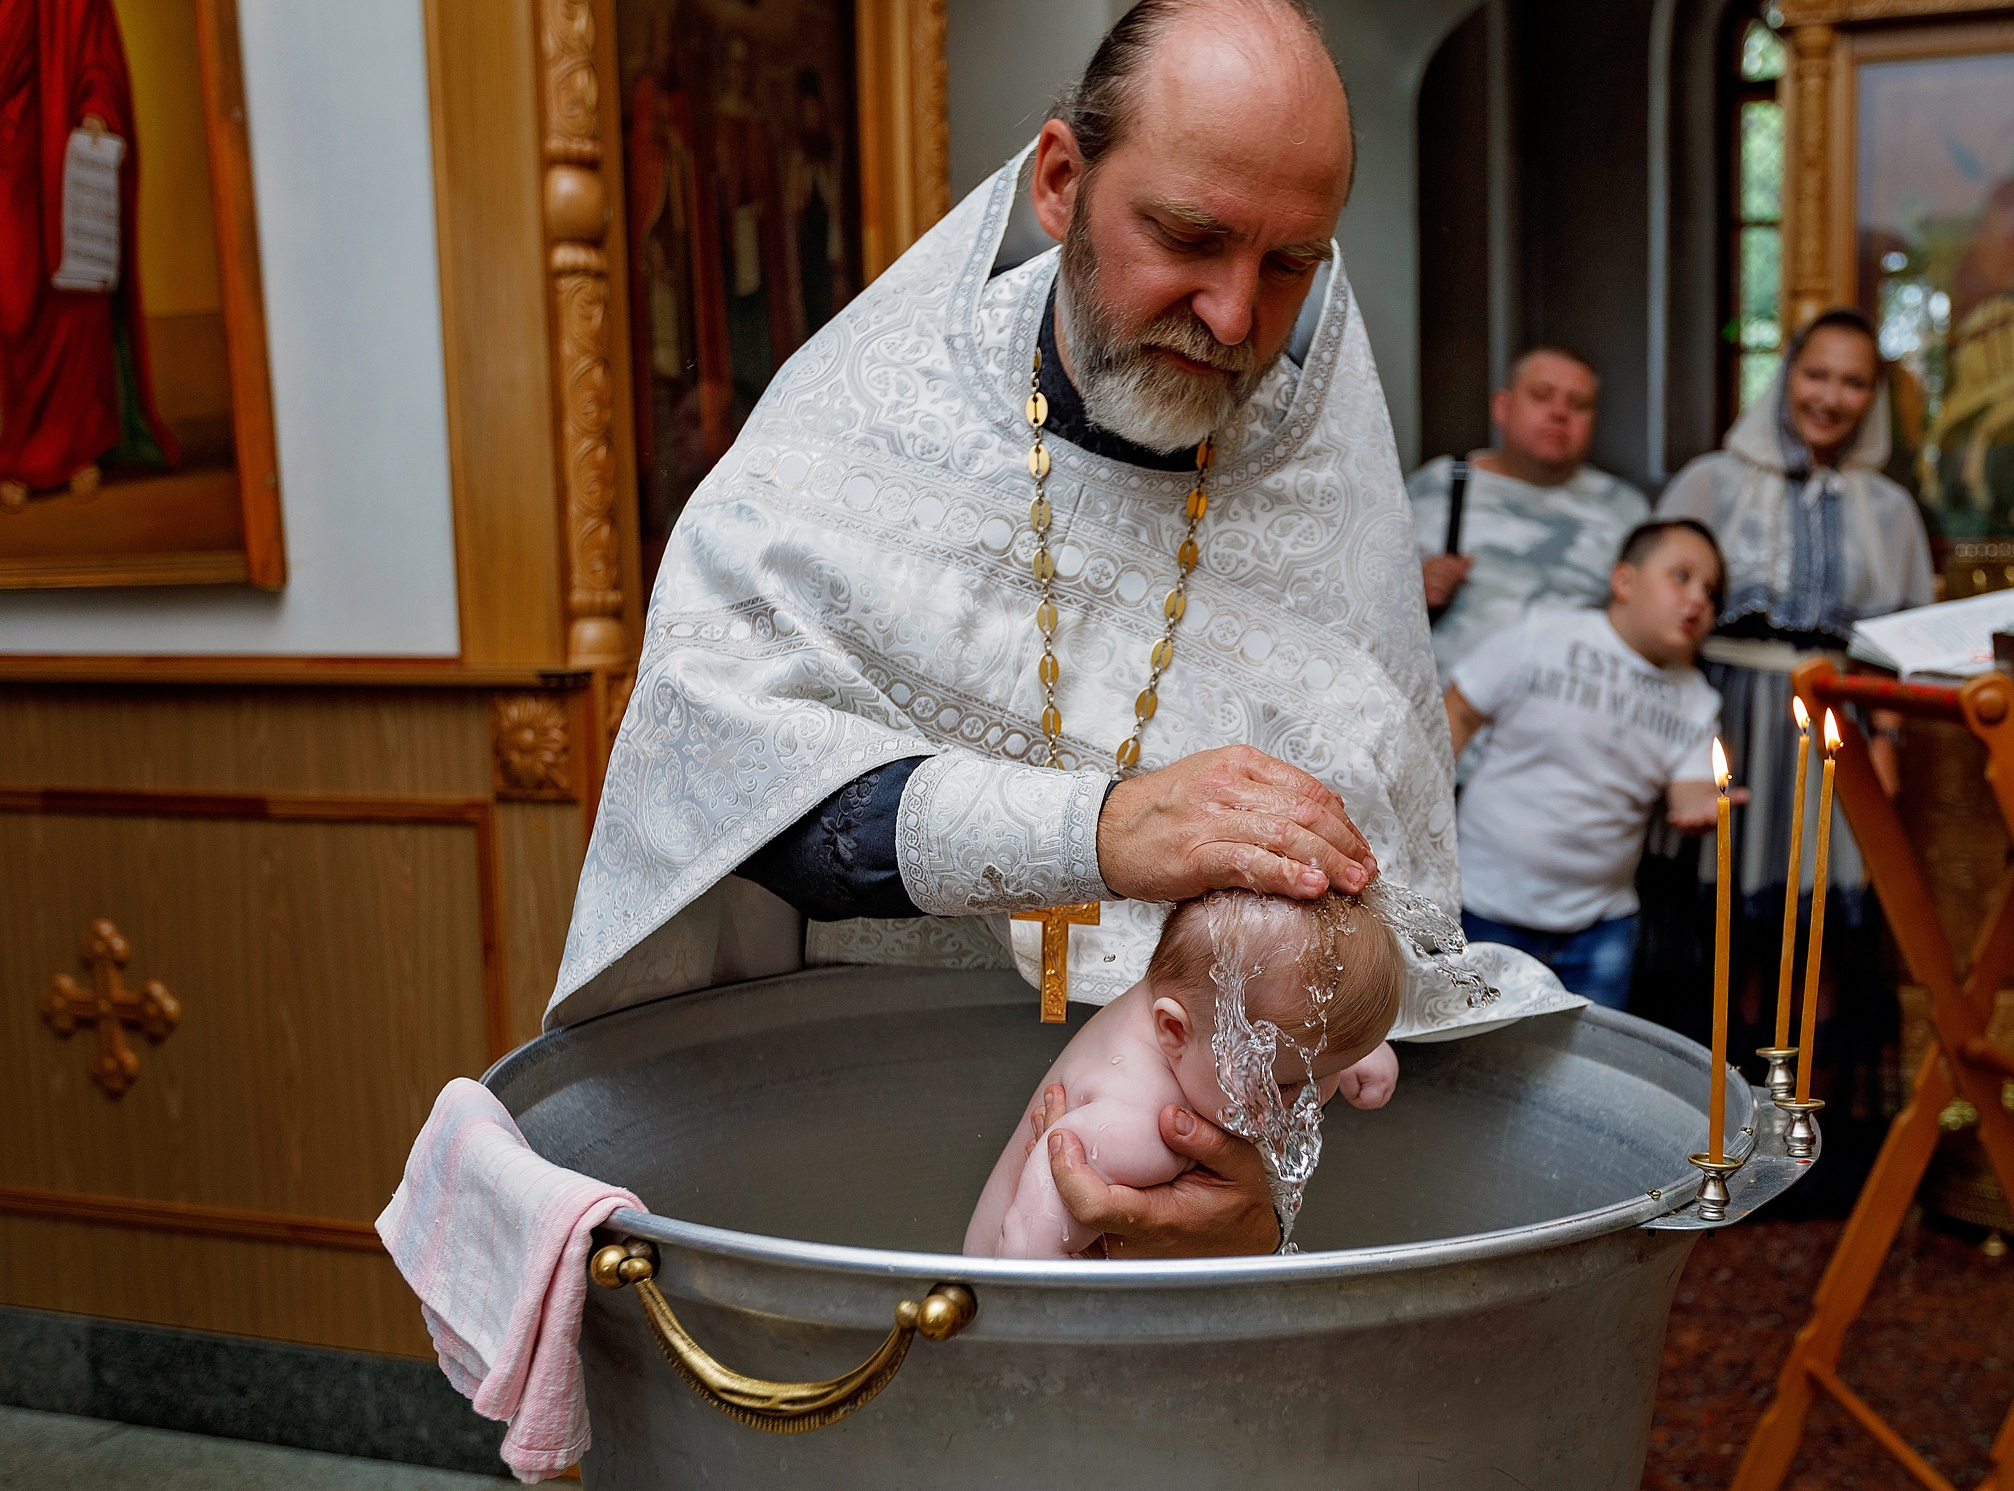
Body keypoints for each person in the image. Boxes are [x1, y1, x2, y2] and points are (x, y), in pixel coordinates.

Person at [550, 0, 1573, 1262]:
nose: (1236, 317)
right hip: (845, 1140)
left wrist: (1248, 1194)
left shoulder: (1322, 494)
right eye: (1188, 236)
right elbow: (721, 785)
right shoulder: (867, 426)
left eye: (1292, 262)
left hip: (1194, 1184)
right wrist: (1092, 832)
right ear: (1059, 182)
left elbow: (1374, 951)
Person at [1644, 307, 1932, 1209]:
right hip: (1724, 718)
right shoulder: (1712, 480)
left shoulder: (1887, 508)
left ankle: (1805, 1146)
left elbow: (1896, 640)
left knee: (1821, 930)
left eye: (1853, 383)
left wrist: (1884, 743)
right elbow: (1658, 614)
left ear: (1871, 400)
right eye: (1818, 375)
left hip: (1829, 729)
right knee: (1724, 926)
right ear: (1787, 376)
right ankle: (1707, 1142)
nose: (1831, 398)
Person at [965, 889, 1401, 1258]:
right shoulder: (1133, 1131)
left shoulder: (1194, 1005)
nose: (1307, 1100)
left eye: (1323, 1071)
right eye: (1281, 1082)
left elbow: (1288, 1027)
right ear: (1173, 1029)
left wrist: (1348, 1050)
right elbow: (1024, 1248)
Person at [1442, 519, 1727, 1011]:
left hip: (1600, 927)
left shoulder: (1696, 699)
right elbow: (1460, 711)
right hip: (1483, 905)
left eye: (1712, 591)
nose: (1699, 599)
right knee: (1469, 1060)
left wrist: (1704, 809)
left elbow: (1693, 789)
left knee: (1586, 1071)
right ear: (1624, 582)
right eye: (1681, 577)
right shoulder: (1546, 636)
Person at [0, 0, 180, 511]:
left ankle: (81, 449)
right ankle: (22, 451)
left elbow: (98, 52)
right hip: (9, 159)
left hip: (62, 146)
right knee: (14, 306)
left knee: (75, 298)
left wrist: (97, 106)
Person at [1406, 348, 1651, 679]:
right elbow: (1357, 605)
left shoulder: (1626, 508)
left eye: (1577, 404)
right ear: (1502, 408)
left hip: (1571, 717)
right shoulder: (1438, 484)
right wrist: (1411, 589)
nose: (1559, 414)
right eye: (1541, 396)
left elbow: (1650, 630)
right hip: (1442, 715)